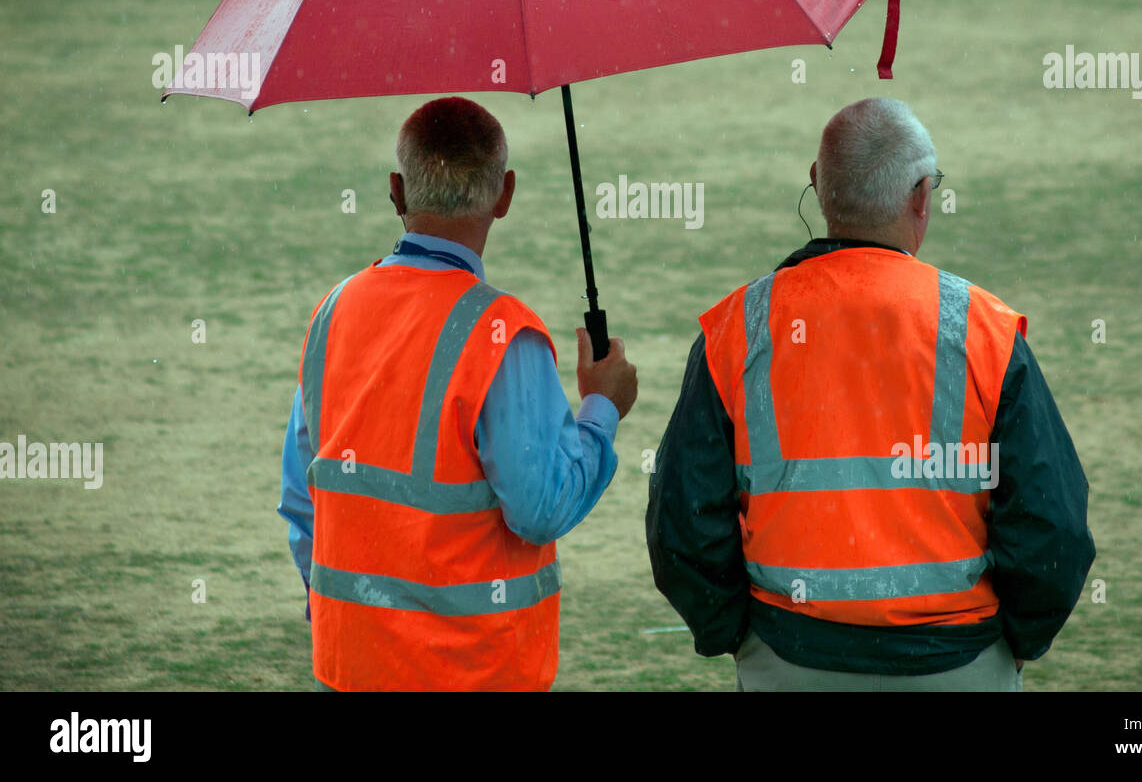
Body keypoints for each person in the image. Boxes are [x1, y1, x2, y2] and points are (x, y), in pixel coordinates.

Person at [646, 97, 1095, 692]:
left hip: (789, 656)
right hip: (959, 661)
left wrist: (739, 635)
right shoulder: (983, 329)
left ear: (816, 183)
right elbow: (1051, 525)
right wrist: (1014, 642)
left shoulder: (739, 329)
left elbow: (683, 522)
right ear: (919, 197)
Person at [278, 97, 638, 691]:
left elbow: (302, 497)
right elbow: (540, 509)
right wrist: (601, 410)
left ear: (396, 191)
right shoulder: (503, 335)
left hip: (348, 663)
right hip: (471, 671)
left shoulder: (334, 311)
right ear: (506, 195)